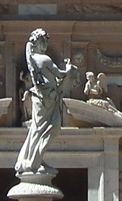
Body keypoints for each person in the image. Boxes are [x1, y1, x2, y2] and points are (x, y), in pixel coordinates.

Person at [13, 29, 77, 176]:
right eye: (43, 41)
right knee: (52, 128)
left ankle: (32, 160)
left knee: (37, 130)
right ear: (36, 43)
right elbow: (60, 74)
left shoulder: (34, 60)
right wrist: (68, 68)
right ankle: (33, 161)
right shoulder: (45, 59)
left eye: (46, 42)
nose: (46, 45)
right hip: (47, 99)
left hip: (42, 99)